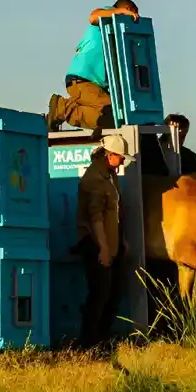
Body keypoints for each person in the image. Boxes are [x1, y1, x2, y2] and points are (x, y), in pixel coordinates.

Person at [75, 133, 135, 351]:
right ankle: (89, 342)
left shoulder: (111, 176)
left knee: (114, 292)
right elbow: (95, 218)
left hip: (112, 241)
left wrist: (122, 240)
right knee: (100, 293)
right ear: (109, 155)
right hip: (95, 243)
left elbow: (116, 212)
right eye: (121, 158)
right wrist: (103, 248)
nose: (122, 163)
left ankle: (102, 337)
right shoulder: (93, 180)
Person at [46, 0, 140, 132]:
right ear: (128, 9)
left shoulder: (115, 32)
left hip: (93, 83)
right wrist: (121, 12)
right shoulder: (108, 14)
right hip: (83, 79)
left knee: (117, 116)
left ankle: (68, 107)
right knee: (111, 116)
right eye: (134, 15)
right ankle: (63, 107)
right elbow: (93, 16)